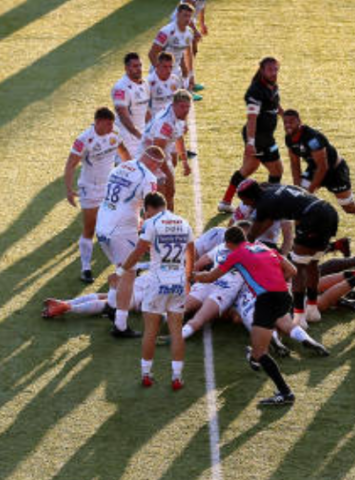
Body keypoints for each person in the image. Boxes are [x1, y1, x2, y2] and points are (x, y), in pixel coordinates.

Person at [193, 236, 305, 406]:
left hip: (267, 301)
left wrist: (194, 276)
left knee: (261, 352)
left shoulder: (236, 254)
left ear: (229, 244)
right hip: (284, 298)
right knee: (261, 341)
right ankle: (260, 350)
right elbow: (293, 271)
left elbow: (211, 277)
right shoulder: (264, 248)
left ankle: (285, 392)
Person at [118, 192, 195, 389]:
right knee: (176, 332)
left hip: (157, 282)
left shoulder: (151, 224)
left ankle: (146, 374)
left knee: (150, 332)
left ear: (149, 208)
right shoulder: (183, 222)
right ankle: (177, 377)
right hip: (177, 282)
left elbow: (139, 250)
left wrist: (122, 270)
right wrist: (187, 278)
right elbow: (191, 251)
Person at [236, 180, 339, 325]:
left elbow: (253, 234)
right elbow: (270, 220)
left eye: (244, 201)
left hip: (312, 218)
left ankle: (299, 318)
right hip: (328, 211)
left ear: (251, 196)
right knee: (312, 263)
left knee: (298, 267)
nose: (245, 204)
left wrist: (239, 249)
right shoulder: (272, 189)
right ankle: (312, 309)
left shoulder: (263, 204)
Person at [282, 109, 355, 241]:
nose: (287, 125)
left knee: (349, 207)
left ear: (299, 121)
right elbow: (294, 164)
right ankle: (299, 240)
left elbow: (323, 167)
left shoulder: (313, 138)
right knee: (299, 201)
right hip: (315, 169)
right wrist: (298, 187)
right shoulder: (289, 139)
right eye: (285, 122)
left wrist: (310, 191)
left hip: (335, 172)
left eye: (291, 122)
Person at [95, 146, 164, 337]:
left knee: (121, 267)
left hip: (102, 223)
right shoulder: (148, 177)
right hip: (122, 228)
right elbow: (151, 209)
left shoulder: (122, 166)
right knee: (129, 274)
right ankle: (121, 325)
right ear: (155, 162)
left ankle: (110, 305)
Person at [63, 107, 130, 283]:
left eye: (112, 124)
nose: (111, 128)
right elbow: (70, 164)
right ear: (98, 122)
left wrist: (131, 173)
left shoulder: (114, 135)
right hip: (89, 189)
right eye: (108, 124)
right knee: (90, 229)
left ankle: (121, 265)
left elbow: (124, 154)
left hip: (109, 188)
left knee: (113, 227)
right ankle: (86, 268)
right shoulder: (84, 139)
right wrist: (69, 190)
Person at [219, 57, 284, 213]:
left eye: (276, 69)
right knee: (277, 171)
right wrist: (251, 142)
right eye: (270, 69)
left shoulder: (271, 85)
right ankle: (269, 204)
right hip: (260, 138)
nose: (274, 72)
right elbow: (252, 118)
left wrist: (285, 116)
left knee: (249, 168)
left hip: (263, 136)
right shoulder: (255, 91)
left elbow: (275, 104)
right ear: (262, 70)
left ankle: (225, 201)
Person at [142, 90, 193, 210]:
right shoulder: (165, 122)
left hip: (161, 155)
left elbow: (179, 138)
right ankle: (158, 225)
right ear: (174, 105)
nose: (186, 110)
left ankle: (168, 223)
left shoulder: (178, 115)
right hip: (150, 160)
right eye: (182, 106)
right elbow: (156, 152)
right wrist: (168, 175)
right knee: (160, 197)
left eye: (188, 107)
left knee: (169, 194)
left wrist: (185, 161)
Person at [175, 0, 215, 92]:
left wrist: (202, 23)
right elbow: (185, 11)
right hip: (181, 22)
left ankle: (191, 82)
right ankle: (186, 89)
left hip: (190, 22)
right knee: (184, 56)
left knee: (192, 52)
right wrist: (195, 30)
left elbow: (202, 4)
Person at [149, 4, 198, 99]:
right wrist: (160, 72)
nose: (187, 19)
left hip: (176, 71)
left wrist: (185, 70)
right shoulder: (166, 31)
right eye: (185, 15)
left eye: (189, 16)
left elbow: (182, 52)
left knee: (178, 101)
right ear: (178, 15)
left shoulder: (189, 33)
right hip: (161, 71)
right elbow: (152, 54)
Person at [112, 53, 151, 162]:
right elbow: (123, 116)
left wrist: (151, 128)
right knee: (126, 171)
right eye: (135, 66)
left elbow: (145, 110)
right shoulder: (121, 88)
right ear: (126, 68)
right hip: (126, 137)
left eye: (140, 65)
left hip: (141, 135)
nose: (138, 69)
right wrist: (138, 134)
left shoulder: (145, 84)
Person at [147, 52, 184, 117]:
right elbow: (144, 107)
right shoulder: (149, 82)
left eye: (170, 67)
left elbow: (180, 101)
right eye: (165, 67)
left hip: (171, 118)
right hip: (155, 119)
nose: (168, 70)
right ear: (157, 66)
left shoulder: (175, 80)